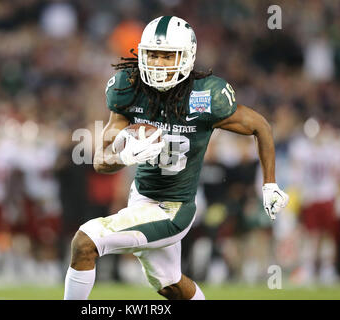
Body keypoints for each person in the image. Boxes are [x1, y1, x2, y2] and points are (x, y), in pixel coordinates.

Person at [63, 16, 289, 300]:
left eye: (167, 56)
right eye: (152, 55)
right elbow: (100, 160)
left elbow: (260, 126)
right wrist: (124, 155)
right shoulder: (129, 87)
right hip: (141, 198)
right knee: (170, 285)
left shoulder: (206, 95)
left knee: (85, 241)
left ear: (187, 57)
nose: (158, 64)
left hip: (173, 208)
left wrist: (269, 183)